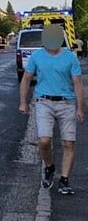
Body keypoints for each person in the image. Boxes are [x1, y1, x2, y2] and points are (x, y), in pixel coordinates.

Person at [19, 24, 85, 196]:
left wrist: (80, 108)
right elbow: (26, 79)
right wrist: (23, 102)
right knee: (44, 141)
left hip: (66, 103)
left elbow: (77, 83)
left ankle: (64, 180)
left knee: (69, 143)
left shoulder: (70, 57)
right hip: (44, 102)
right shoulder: (37, 57)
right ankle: (49, 167)